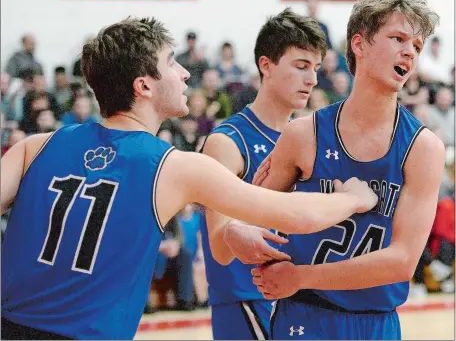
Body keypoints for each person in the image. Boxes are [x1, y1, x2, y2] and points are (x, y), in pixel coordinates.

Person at [0, 17, 378, 340]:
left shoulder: (34, 147)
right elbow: (296, 216)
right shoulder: (174, 166)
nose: (183, 73)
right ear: (144, 86)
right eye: (171, 62)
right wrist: (355, 199)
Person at [249, 0, 444, 340]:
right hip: (304, 317)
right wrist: (250, 219)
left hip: (375, 321)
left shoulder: (423, 148)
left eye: (416, 45)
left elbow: (402, 263)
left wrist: (300, 276)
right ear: (359, 44)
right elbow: (252, 221)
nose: (409, 52)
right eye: (398, 38)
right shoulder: (303, 134)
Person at [200, 7, 329, 340]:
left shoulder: (306, 139)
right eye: (301, 66)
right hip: (246, 302)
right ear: (266, 65)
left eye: (315, 69)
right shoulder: (227, 141)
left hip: (298, 298)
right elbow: (220, 245)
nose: (312, 79)